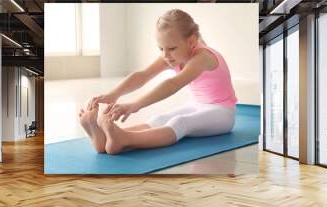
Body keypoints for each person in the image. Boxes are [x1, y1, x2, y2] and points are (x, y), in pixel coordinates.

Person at [79, 9, 237, 155]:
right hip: (195, 105)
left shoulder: (203, 58)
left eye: (171, 48)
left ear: (191, 41)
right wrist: (114, 94)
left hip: (222, 113)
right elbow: (142, 75)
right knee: (161, 119)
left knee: (181, 122)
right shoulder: (172, 56)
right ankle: (105, 140)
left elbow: (173, 84)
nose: (165, 55)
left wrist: (135, 105)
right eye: (161, 49)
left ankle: (123, 139)